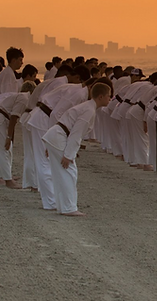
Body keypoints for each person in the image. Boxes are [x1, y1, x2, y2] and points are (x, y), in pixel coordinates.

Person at [42, 82, 112, 217]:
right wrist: (69, 155)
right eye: (109, 96)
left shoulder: (87, 107)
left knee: (61, 172)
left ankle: (62, 206)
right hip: (59, 136)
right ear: (101, 96)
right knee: (69, 171)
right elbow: (76, 133)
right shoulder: (89, 110)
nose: (110, 98)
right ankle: (68, 208)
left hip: (56, 136)